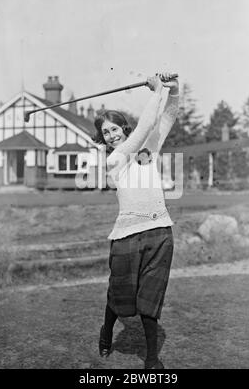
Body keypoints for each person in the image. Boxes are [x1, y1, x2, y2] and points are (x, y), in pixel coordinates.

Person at [93, 72, 179, 369]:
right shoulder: (115, 159)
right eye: (106, 133)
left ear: (122, 127)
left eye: (115, 128)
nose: (113, 135)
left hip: (160, 233)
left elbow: (167, 116)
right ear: (103, 139)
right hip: (127, 236)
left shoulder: (148, 151)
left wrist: (172, 88)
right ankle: (106, 331)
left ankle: (152, 359)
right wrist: (156, 92)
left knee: (150, 299)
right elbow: (143, 128)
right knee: (120, 294)